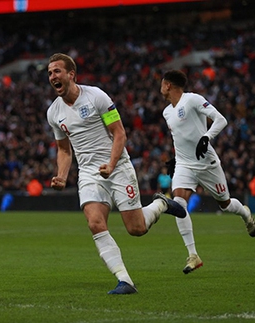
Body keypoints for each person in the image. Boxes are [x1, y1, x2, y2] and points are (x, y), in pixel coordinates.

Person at [46, 53, 187, 295]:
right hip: (89, 173)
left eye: (57, 71)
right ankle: (125, 280)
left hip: (118, 166)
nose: (52, 77)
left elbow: (119, 133)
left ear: (71, 74)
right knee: (95, 223)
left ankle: (161, 204)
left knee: (136, 229)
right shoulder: (53, 113)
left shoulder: (96, 96)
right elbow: (63, 149)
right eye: (49, 73)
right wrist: (62, 174)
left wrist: (111, 165)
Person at [160, 69, 255, 274]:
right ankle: (193, 255)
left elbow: (221, 119)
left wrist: (207, 137)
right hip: (185, 165)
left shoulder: (192, 99)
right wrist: (175, 159)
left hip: (207, 163)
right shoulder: (167, 112)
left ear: (168, 85)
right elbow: (179, 137)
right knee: (178, 204)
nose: (160, 87)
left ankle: (245, 214)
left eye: (162, 83)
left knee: (225, 204)